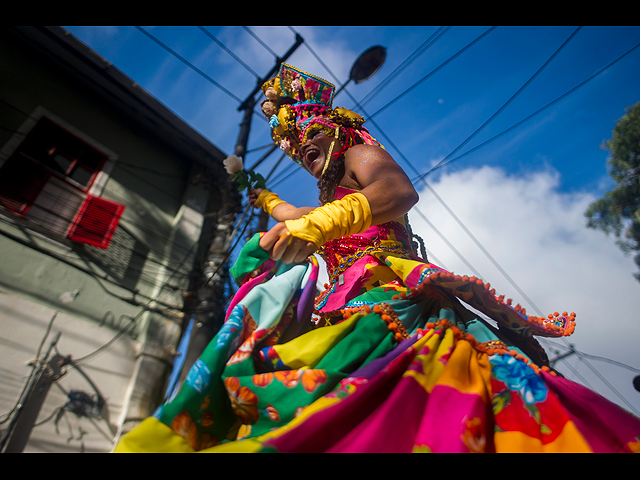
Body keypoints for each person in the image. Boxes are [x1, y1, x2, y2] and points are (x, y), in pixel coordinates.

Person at [114, 64, 640, 453]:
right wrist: (266, 199)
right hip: (343, 294)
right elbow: (303, 212)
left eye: (306, 137)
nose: (300, 150)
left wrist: (318, 224)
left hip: (390, 289)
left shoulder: (361, 154)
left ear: (335, 126)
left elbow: (396, 192)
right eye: (292, 148)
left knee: (396, 367)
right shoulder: (328, 191)